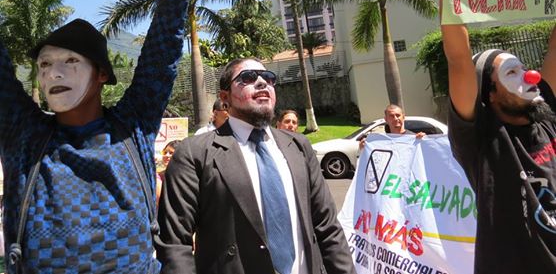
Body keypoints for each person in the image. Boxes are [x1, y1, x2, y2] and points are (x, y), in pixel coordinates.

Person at [0, 0, 196, 273]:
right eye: (45, 65)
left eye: (70, 62)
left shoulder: (133, 127)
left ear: (102, 73)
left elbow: (164, 47)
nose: (54, 74)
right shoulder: (24, 135)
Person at [424, 0, 556, 273]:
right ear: (491, 94)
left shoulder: (547, 116)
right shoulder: (482, 141)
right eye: (511, 72)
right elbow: (458, 59)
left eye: (523, 66)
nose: (529, 75)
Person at [156, 58, 356, 274]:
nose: (262, 82)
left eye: (269, 78)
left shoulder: (299, 146)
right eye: (248, 77)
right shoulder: (195, 152)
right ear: (225, 98)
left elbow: (328, 227)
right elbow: (174, 243)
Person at [359, 104, 425, 150]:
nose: (395, 118)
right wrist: (363, 149)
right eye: (391, 116)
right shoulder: (381, 141)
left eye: (398, 115)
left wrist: (424, 142)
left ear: (403, 117)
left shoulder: (414, 138)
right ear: (386, 119)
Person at [156, 140, 180, 206]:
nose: (167, 155)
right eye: (165, 152)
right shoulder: (158, 177)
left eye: (171, 153)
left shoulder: (188, 175)